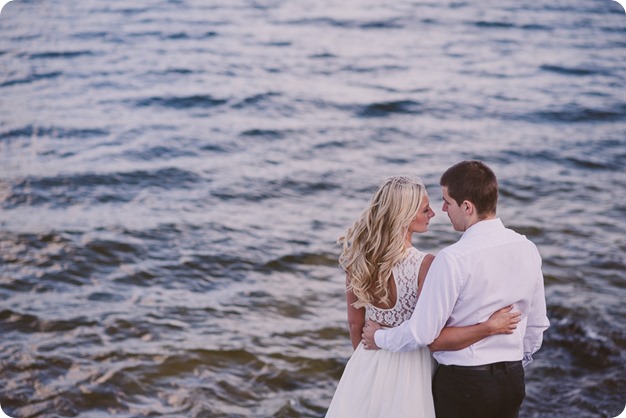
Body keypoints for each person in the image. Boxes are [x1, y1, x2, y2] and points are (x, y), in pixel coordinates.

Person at [361, 161, 550, 418]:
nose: (443, 209)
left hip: (464, 384)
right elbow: (536, 326)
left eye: (447, 202)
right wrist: (511, 363)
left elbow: (422, 333)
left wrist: (379, 337)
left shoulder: (452, 259)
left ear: (467, 207)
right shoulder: (527, 248)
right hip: (512, 382)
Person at [326, 175, 521, 418]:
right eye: (425, 209)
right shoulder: (425, 264)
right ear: (405, 216)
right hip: (413, 367)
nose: (433, 213)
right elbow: (434, 330)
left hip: (367, 359)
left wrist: (365, 365)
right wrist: (488, 326)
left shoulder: (358, 261)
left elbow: (355, 324)